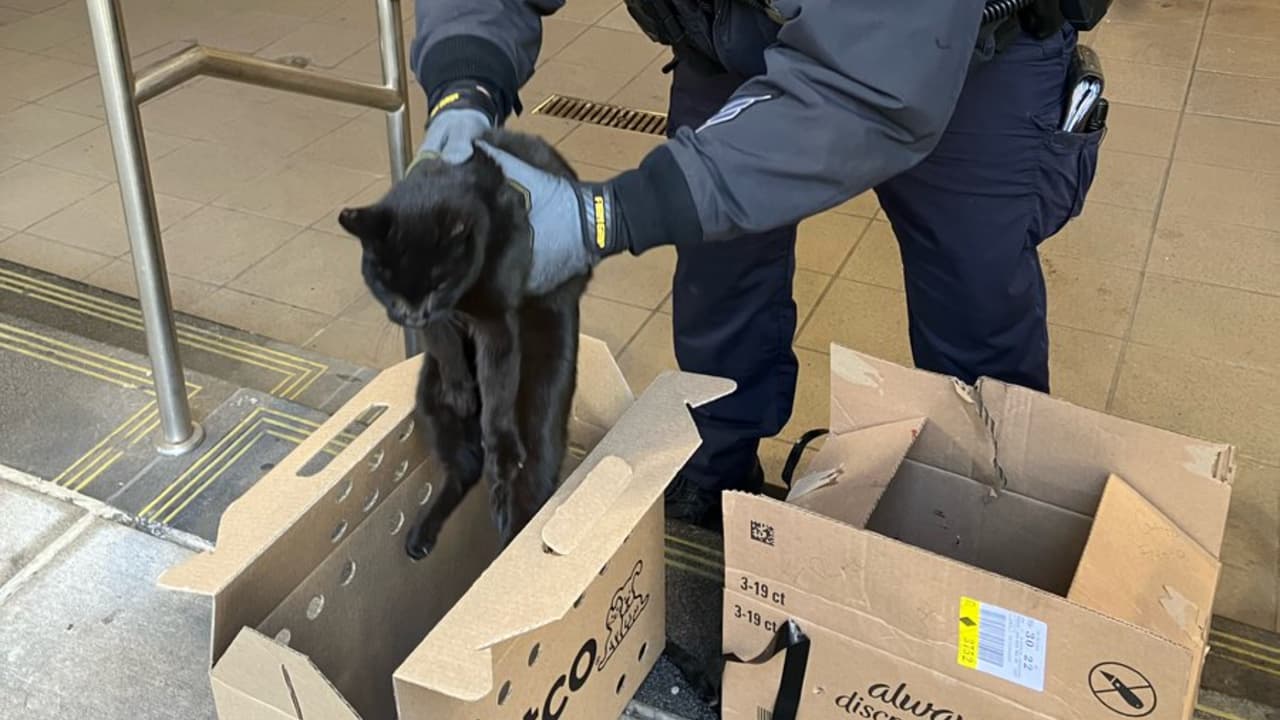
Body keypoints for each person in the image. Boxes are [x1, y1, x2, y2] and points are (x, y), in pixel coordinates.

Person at [409, 0, 1104, 530]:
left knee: (975, 305)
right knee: (719, 280)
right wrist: (464, 88)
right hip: (729, 28)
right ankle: (716, 474)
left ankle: (986, 522)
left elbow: (871, 88)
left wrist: (610, 216)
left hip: (963, 50)